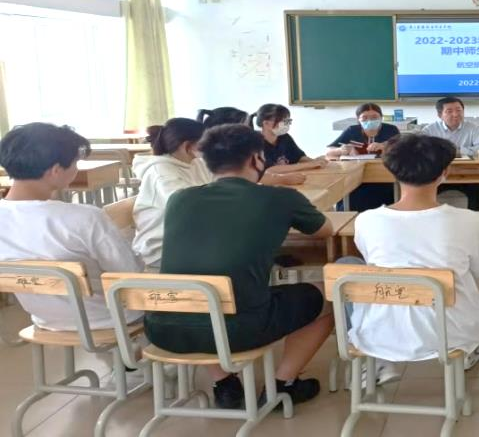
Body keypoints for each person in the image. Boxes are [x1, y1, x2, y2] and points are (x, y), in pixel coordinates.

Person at [145, 124, 334, 410]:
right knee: (329, 295)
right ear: (256, 159)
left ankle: (225, 384)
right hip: (239, 329)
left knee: (203, 292)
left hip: (163, 328)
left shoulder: (180, 199)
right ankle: (283, 385)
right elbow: (325, 230)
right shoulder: (280, 198)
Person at [347, 134, 479, 379]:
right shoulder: (469, 220)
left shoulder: (366, 220)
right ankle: (468, 354)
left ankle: (377, 365)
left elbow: (373, 263)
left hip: (379, 331)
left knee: (348, 269)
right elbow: (478, 270)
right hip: (452, 333)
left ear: (392, 171)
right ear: (445, 172)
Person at [0, 123, 142, 331]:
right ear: (56, 170)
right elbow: (130, 273)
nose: (76, 169)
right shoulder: (85, 217)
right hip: (114, 317)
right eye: (75, 163)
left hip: (45, 320)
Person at [132, 118, 212, 270]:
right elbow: (188, 209)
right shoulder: (160, 172)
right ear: (187, 146)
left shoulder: (196, 163)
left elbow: (221, 186)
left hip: (190, 237)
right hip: (161, 249)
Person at [325, 103, 400, 211]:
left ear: (381, 117)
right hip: (357, 180)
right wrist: (341, 150)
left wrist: (384, 146)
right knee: (352, 197)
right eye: (364, 118)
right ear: (358, 119)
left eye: (374, 117)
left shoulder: (390, 130)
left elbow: (402, 150)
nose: (370, 120)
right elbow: (329, 152)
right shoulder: (352, 131)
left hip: (384, 180)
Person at [421, 97, 479, 211]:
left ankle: (475, 218)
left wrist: (459, 151)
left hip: (467, 172)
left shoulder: (473, 128)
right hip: (437, 174)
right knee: (423, 189)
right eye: (449, 111)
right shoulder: (430, 130)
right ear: (440, 115)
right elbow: (421, 150)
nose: (455, 114)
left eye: (459, 110)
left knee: (477, 189)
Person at [251, 103, 328, 175]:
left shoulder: (285, 137)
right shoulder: (255, 143)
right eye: (282, 121)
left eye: (288, 121)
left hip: (289, 177)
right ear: (266, 123)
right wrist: (309, 165)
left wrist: (315, 162)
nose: (286, 125)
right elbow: (270, 170)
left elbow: (299, 157)